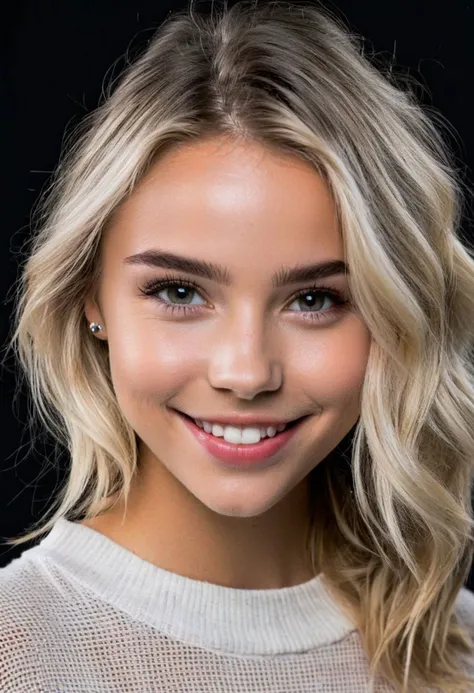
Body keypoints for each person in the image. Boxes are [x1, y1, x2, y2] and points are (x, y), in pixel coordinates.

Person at [1, 0, 474, 691]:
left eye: (315, 299)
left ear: (394, 317)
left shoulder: (457, 647)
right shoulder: (17, 652)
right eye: (180, 293)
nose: (246, 371)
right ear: (91, 300)